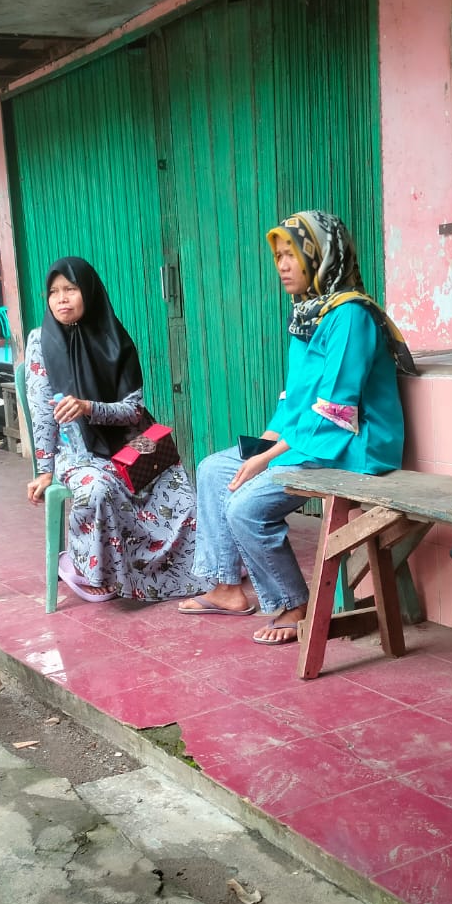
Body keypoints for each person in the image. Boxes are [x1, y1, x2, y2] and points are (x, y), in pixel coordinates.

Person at [180, 210, 412, 643]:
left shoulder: (350, 315)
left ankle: (293, 603)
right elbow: (294, 400)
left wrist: (268, 459)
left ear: (321, 256)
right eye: (278, 256)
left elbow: (336, 410)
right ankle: (227, 587)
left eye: (293, 254)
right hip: (307, 440)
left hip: (352, 446)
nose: (283, 266)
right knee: (213, 469)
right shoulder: (308, 313)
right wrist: (264, 444)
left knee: (245, 507)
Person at [24, 257, 199, 603]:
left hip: (130, 440)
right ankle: (92, 569)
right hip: (77, 452)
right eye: (54, 292)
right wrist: (44, 470)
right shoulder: (40, 342)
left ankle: (182, 569)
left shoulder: (115, 339)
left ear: (89, 292)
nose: (61, 299)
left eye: (70, 289)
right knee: (98, 489)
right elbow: (41, 411)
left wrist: (90, 407)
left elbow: (133, 410)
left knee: (177, 486)